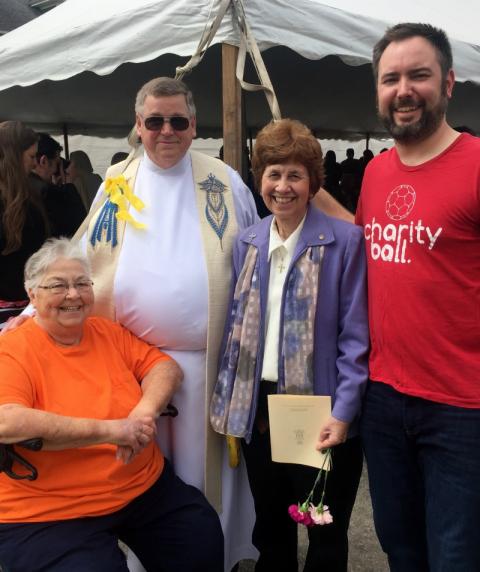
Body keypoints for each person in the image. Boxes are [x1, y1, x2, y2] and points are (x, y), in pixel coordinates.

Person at [0, 238, 223, 572]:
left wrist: (144, 414)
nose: (73, 295)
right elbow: (7, 421)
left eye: (81, 284)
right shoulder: (13, 349)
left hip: (139, 487)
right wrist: (113, 431)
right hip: (47, 510)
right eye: (58, 286)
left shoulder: (106, 332)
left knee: (199, 537)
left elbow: (165, 369)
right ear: (32, 294)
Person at [211, 119, 369, 572]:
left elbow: (356, 337)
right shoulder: (249, 241)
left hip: (323, 408)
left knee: (325, 530)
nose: (283, 186)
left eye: (295, 175)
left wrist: (343, 413)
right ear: (259, 179)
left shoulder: (345, 241)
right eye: (273, 174)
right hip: (261, 411)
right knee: (271, 528)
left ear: (313, 182)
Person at [356, 22, 480, 571]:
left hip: (462, 408)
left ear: (449, 83)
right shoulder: (376, 173)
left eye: (418, 75)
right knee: (399, 546)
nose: (403, 89)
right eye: (391, 79)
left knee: (455, 555)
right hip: (382, 397)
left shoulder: (476, 165)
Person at [0, 121, 50, 328]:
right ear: (14, 156)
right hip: (17, 308)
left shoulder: (26, 195)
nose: (34, 163)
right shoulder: (26, 200)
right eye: (31, 156)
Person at [30, 133, 86, 237]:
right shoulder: (46, 192)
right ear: (44, 161)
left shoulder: (20, 186)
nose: (56, 170)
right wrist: (69, 184)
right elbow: (81, 227)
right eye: (57, 164)